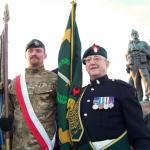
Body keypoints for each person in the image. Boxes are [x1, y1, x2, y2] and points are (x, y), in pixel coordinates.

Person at [67, 44, 150, 150]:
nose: (92, 62)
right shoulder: (79, 95)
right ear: (86, 67)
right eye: (88, 60)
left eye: (97, 59)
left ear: (107, 63)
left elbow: (138, 131)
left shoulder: (122, 89)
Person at [0, 39, 58, 150]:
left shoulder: (55, 80)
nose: (34, 53)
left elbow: (63, 111)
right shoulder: (14, 83)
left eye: (38, 51)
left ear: (45, 55)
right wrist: (5, 122)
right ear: (25, 55)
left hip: (45, 144)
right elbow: (8, 111)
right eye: (30, 51)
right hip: (19, 145)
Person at [126, 29, 150, 101]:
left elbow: (149, 54)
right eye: (133, 34)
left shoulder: (144, 43)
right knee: (136, 82)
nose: (135, 35)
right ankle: (139, 98)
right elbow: (128, 56)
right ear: (131, 35)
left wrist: (143, 50)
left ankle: (148, 96)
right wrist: (128, 65)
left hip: (142, 63)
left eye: (136, 33)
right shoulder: (130, 44)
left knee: (147, 79)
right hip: (133, 64)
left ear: (138, 34)